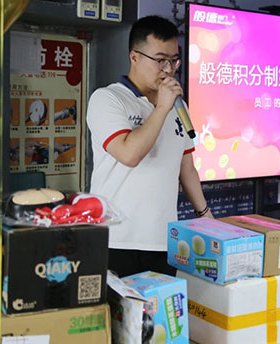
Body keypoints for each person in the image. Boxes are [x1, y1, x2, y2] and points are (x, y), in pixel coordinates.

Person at [86, 15, 213, 277]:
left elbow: (186, 168)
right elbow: (129, 154)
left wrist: (205, 215)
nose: (168, 69)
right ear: (134, 57)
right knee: (116, 305)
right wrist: (162, 107)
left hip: (162, 240)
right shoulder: (107, 99)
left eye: (174, 60)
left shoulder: (179, 107)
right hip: (117, 239)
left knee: (162, 305)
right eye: (160, 60)